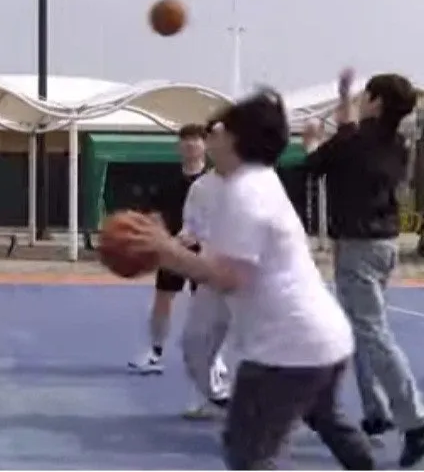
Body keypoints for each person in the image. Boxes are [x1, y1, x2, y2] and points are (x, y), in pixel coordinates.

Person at [127, 90, 374, 470]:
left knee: (248, 454)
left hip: (288, 348)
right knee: (327, 422)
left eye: (221, 128)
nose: (212, 133)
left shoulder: (246, 193)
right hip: (322, 339)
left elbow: (228, 278)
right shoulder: (251, 183)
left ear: (237, 140)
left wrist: (163, 249)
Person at [303, 69, 424, 465]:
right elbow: (350, 139)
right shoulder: (399, 144)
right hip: (384, 246)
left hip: (357, 248)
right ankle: (376, 410)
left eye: (365, 95)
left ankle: (414, 420)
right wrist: (344, 100)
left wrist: (311, 141)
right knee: (362, 329)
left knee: (373, 333)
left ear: (376, 102)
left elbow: (314, 164)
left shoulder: (353, 142)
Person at [128, 123, 226, 380]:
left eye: (196, 139)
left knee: (207, 306)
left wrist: (202, 238)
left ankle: (214, 358)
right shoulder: (169, 183)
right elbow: (154, 214)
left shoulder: (215, 182)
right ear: (178, 147)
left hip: (204, 251)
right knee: (163, 299)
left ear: (205, 145)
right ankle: (155, 352)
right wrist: (162, 239)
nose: (190, 144)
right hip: (172, 250)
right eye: (185, 140)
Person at [177, 157, 232, 421]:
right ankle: (216, 397)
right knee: (195, 343)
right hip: (212, 274)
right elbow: (191, 226)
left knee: (259, 346)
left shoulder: (260, 183)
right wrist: (185, 237)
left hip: (253, 279)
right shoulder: (201, 187)